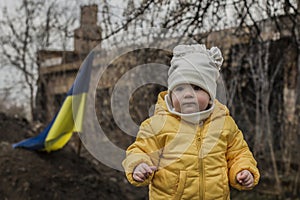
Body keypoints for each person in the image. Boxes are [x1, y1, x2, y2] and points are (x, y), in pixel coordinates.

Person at [122, 44, 260, 199]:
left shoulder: (224, 124)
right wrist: (139, 166)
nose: (187, 94)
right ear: (170, 95)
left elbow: (239, 153)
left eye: (196, 88)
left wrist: (243, 170)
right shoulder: (157, 125)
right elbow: (140, 150)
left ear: (210, 95)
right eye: (180, 89)